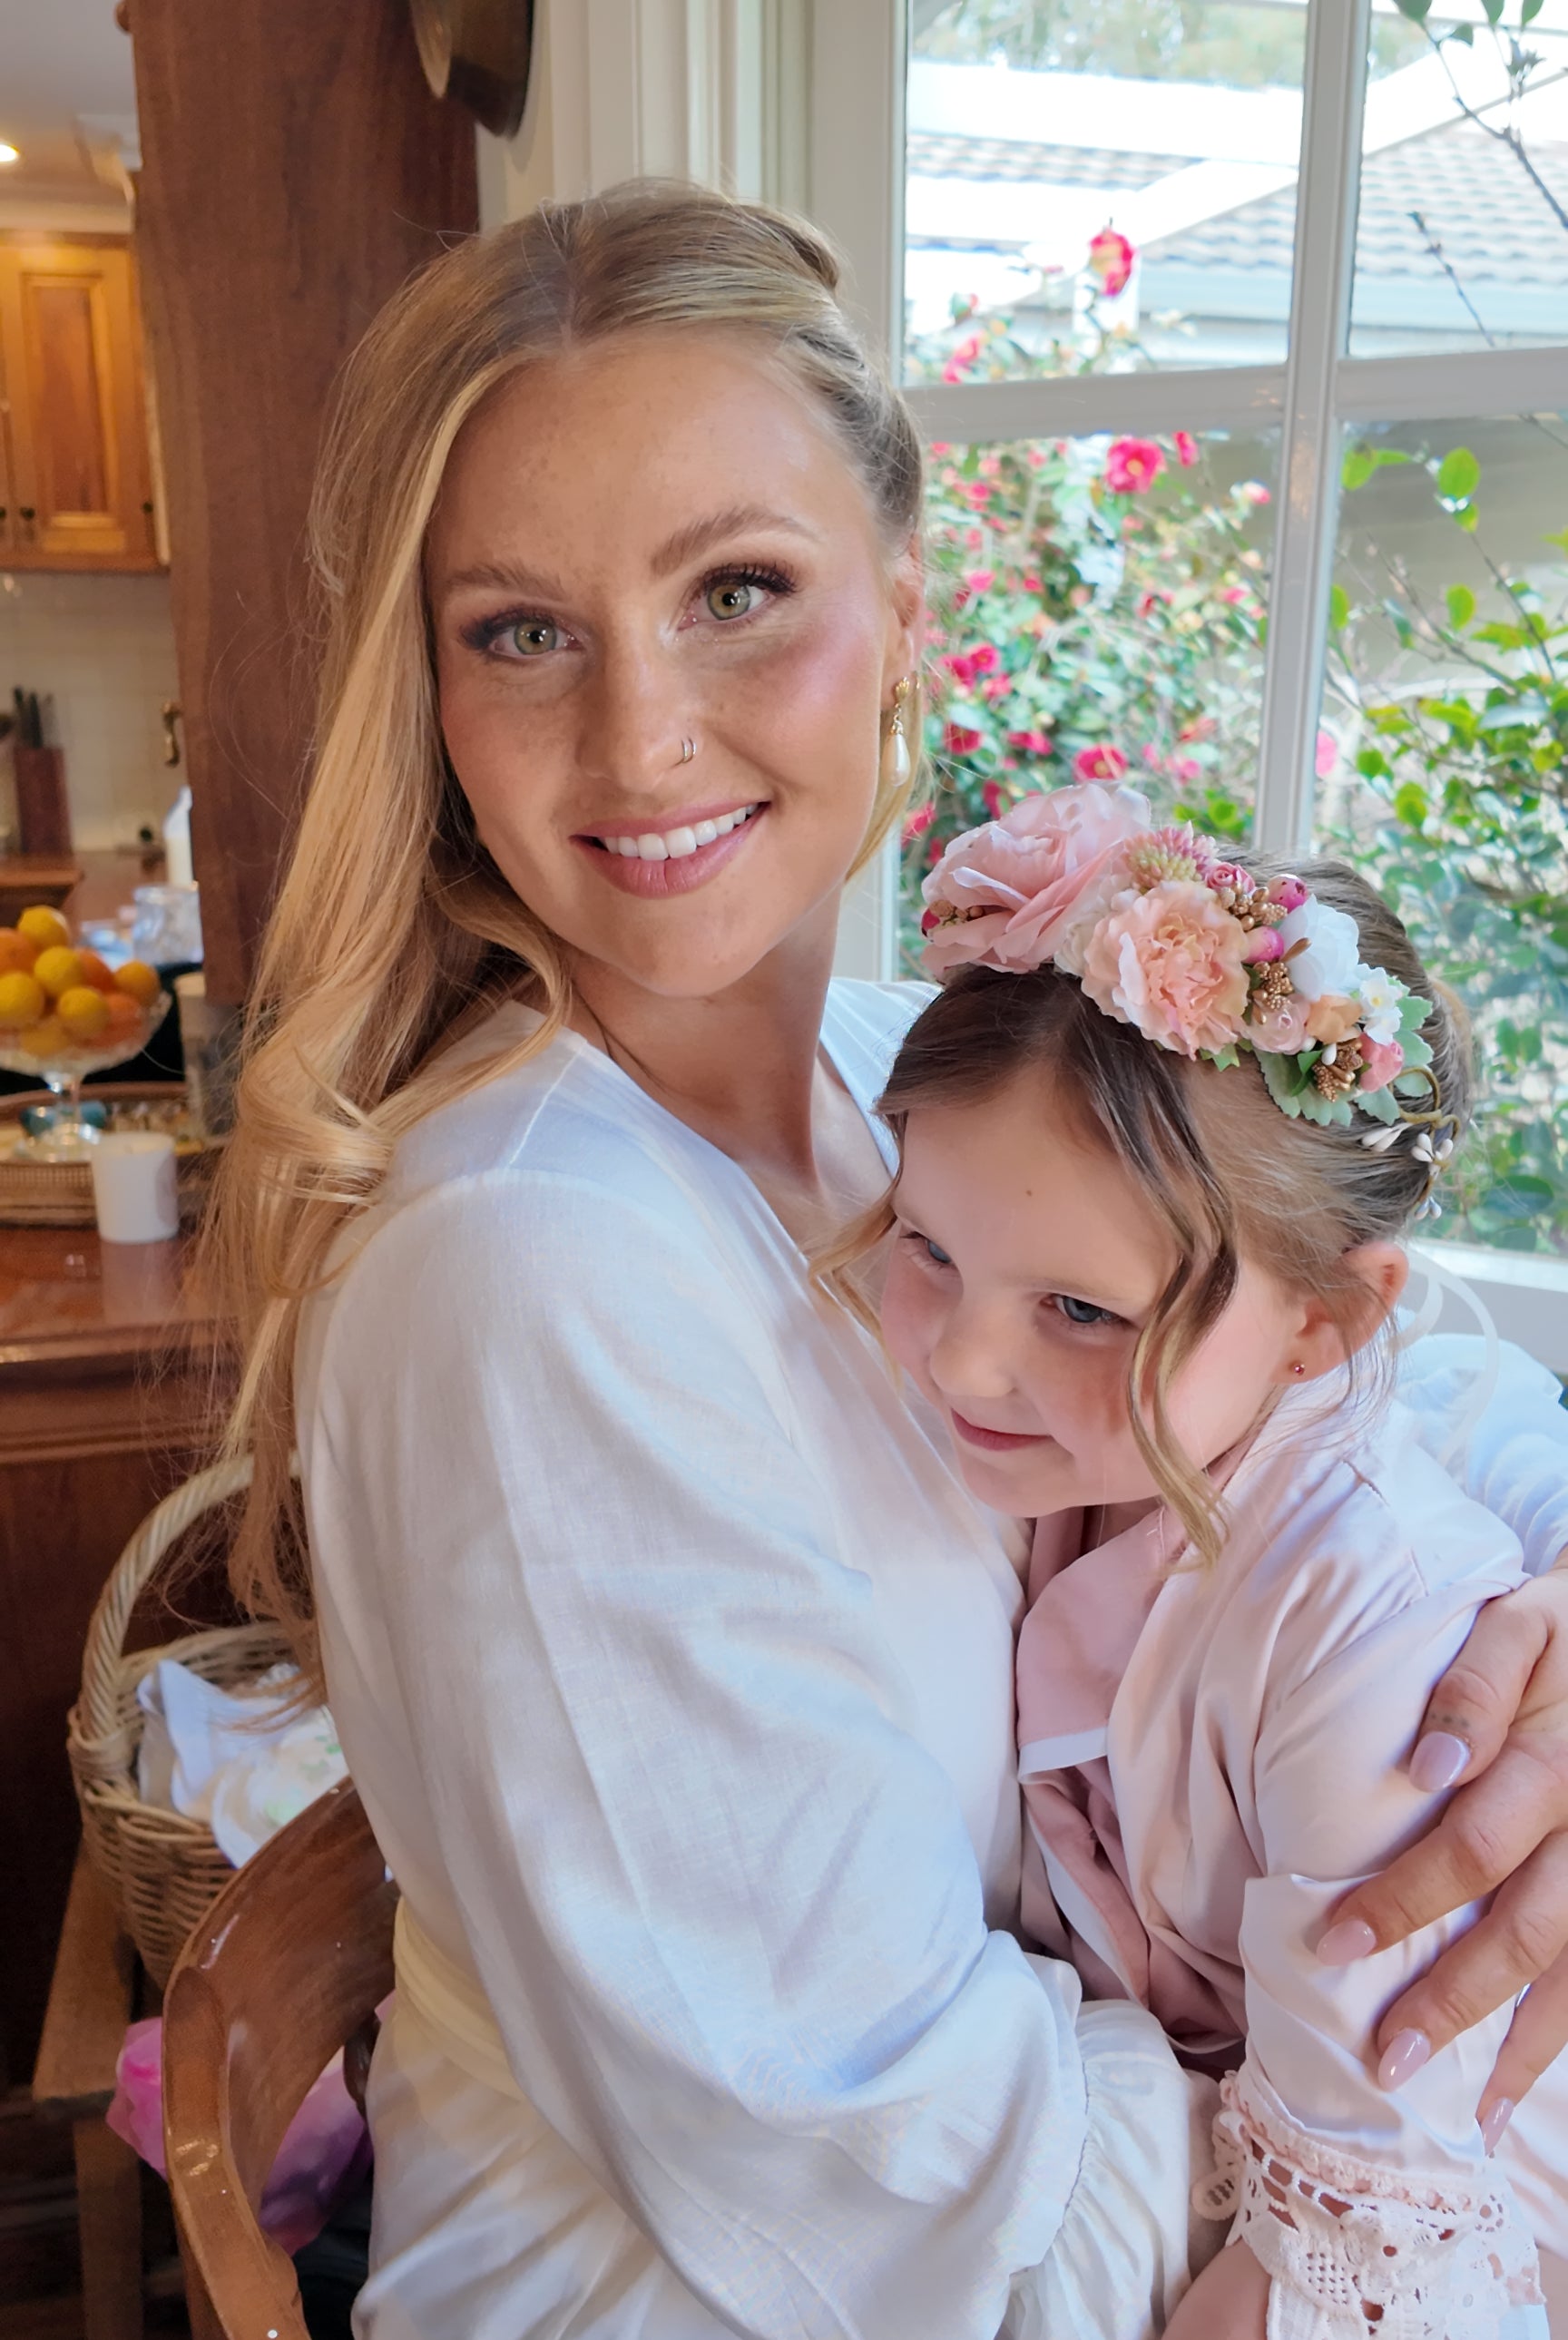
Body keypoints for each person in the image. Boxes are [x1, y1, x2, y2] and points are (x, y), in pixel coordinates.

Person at [207, 183, 1568, 2337]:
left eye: (737, 590)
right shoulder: (529, 1272)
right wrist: (1390, 2140)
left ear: (907, 610)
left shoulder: (887, 1078)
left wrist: (1545, 1653)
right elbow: (896, 2172)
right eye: (522, 630)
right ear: (430, 696)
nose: (642, 740)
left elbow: (1377, 1377)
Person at [850, 778, 1567, 2336]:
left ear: (1327, 1320)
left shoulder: (1368, 1630)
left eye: (1083, 1312)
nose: (965, 1366)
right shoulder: (1071, 1460)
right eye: (929, 1247)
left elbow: (1357, 2245)